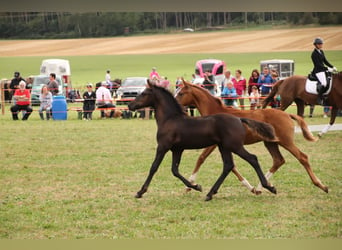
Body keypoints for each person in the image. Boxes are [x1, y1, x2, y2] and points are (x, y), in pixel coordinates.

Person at [311, 37, 337, 105]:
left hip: (323, 69)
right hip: (318, 71)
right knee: (324, 83)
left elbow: (325, 61)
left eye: (321, 44)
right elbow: (318, 65)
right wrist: (327, 69)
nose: (321, 45)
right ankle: (319, 98)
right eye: (319, 44)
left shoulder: (321, 51)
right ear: (315, 45)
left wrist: (332, 66)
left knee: (331, 80)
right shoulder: (314, 54)